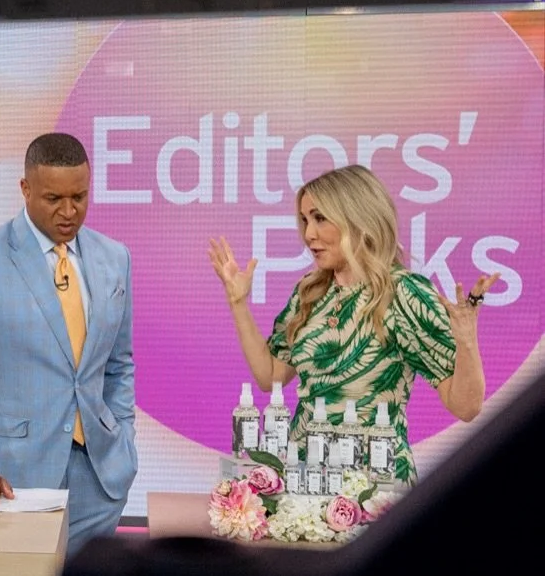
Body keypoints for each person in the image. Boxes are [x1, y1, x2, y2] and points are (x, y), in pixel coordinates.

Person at [209, 164, 496, 484]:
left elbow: (466, 407)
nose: (309, 234)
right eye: (305, 220)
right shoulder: (310, 292)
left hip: (375, 484)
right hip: (305, 483)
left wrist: (466, 340)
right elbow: (270, 376)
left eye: (320, 218)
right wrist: (238, 302)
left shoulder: (403, 293)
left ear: (357, 218)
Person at [0, 133, 137, 557]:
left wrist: (124, 440)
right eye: (53, 199)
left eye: (79, 197)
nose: (69, 211)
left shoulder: (114, 257)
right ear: (25, 189)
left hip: (101, 480)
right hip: (11, 480)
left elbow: (119, 365)